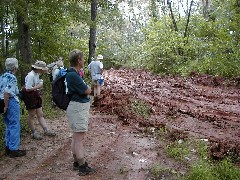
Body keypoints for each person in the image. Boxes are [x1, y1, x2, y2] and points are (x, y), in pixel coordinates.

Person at [65, 49, 96, 176]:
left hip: (77, 107)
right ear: (78, 60)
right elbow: (86, 90)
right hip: (77, 107)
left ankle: (76, 162)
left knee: (76, 136)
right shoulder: (73, 75)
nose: (84, 61)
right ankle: (82, 165)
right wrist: (91, 88)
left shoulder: (74, 73)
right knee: (79, 138)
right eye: (82, 59)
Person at [23, 60, 56, 140]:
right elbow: (27, 88)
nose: (43, 71)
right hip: (30, 96)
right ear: (39, 69)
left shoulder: (36, 74)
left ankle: (46, 130)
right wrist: (39, 86)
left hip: (35, 95)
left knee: (40, 114)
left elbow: (35, 84)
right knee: (32, 115)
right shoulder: (31, 75)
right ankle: (34, 132)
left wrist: (39, 85)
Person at [0, 58, 26, 158]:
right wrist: (6, 106)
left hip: (1, 102)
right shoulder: (12, 77)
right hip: (10, 102)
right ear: (15, 67)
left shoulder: (2, 76)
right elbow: (7, 92)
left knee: (8, 125)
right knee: (15, 125)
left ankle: (8, 147)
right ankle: (14, 150)